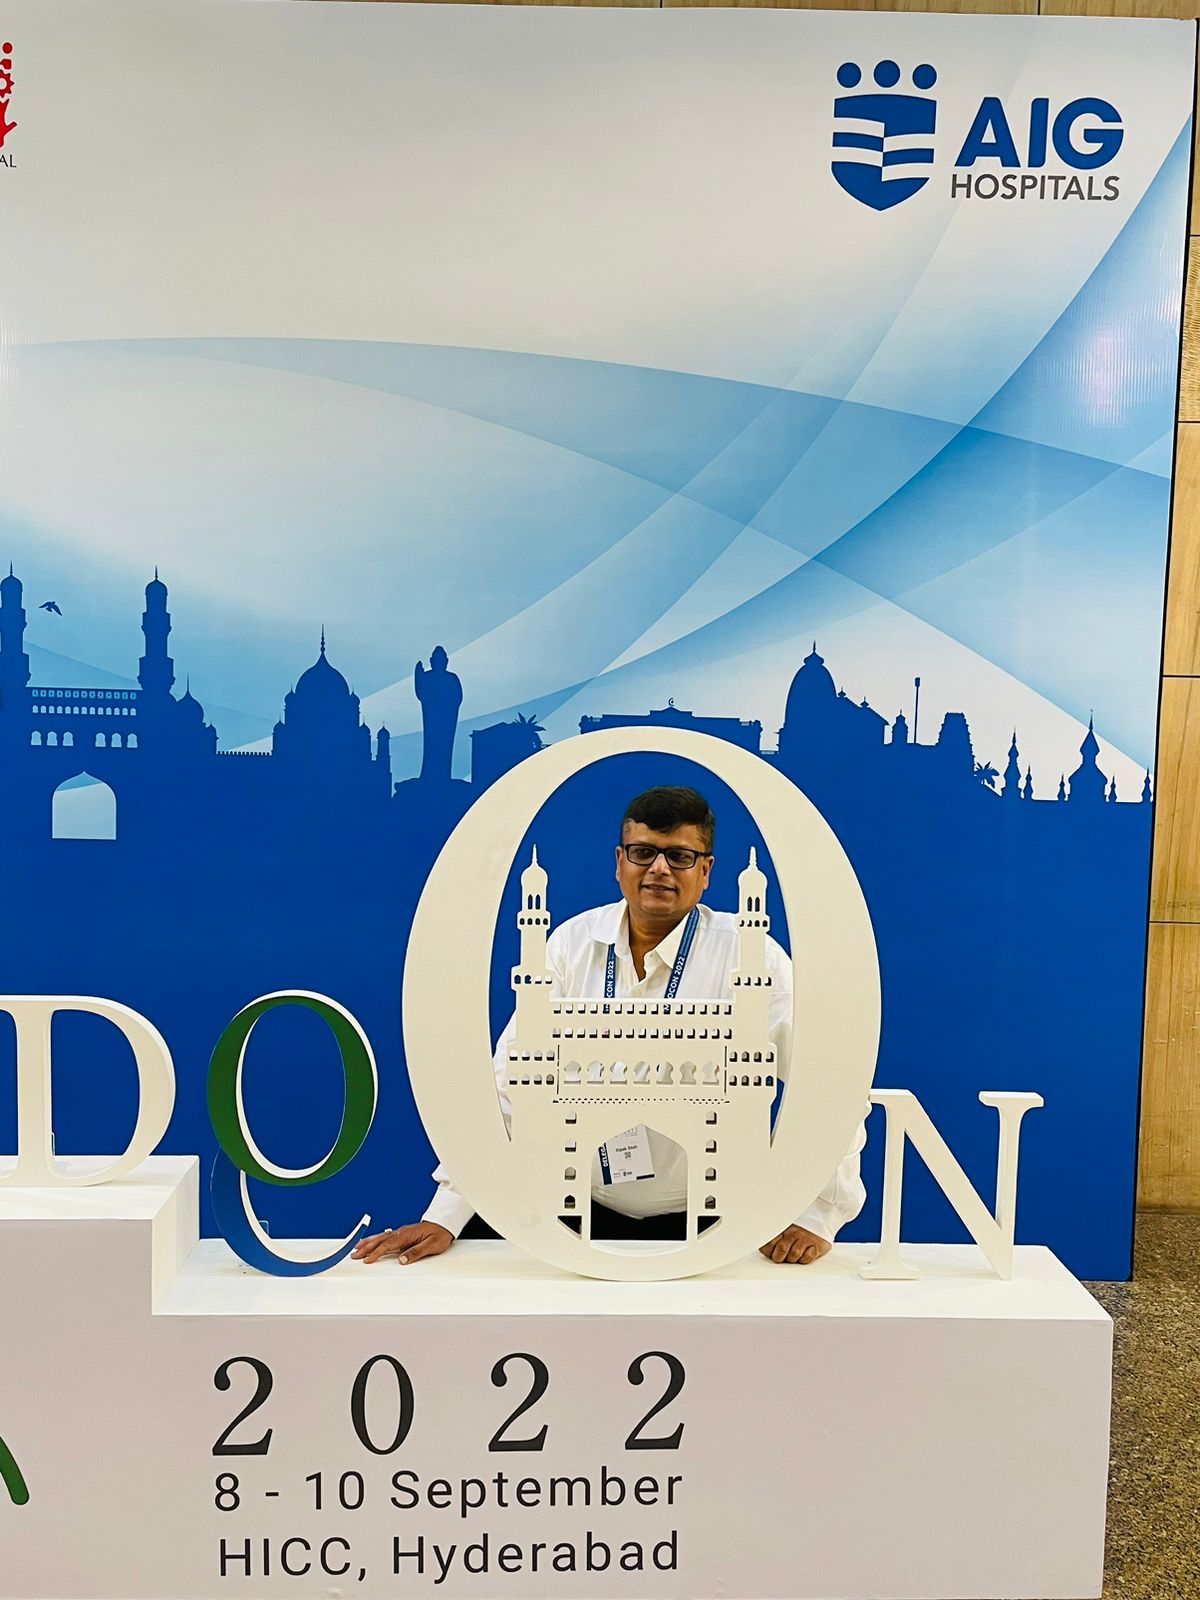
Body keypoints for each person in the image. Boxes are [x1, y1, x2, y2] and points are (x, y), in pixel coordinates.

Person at [354, 785, 866, 1269]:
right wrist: (446, 1215)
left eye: (679, 856)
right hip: (572, 1211)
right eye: (643, 852)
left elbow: (826, 1086)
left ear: (706, 870)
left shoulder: (751, 956)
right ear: (620, 862)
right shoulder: (571, 945)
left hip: (715, 1221)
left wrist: (816, 1214)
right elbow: (509, 1084)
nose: (659, 869)